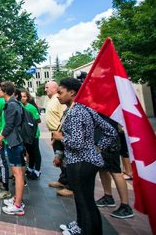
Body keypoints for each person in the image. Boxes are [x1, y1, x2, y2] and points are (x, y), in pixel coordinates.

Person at [53, 78, 117, 235]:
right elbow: (111, 131)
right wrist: (97, 149)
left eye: (60, 92)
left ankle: (87, 230)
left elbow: (77, 143)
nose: (57, 96)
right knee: (83, 200)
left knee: (84, 201)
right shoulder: (84, 109)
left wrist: (61, 138)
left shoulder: (76, 112)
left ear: (72, 92)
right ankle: (81, 225)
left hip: (80, 162)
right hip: (87, 160)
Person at [0, 81, 26, 216]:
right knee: (19, 171)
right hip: (17, 140)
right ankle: (17, 199)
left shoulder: (11, 105)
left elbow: (9, 125)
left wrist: (0, 138)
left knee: (17, 172)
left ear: (5, 91)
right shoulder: (15, 103)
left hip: (14, 142)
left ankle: (18, 205)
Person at [95, 116, 134, 219]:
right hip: (100, 141)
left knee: (115, 172)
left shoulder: (108, 106)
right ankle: (108, 196)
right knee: (102, 169)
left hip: (109, 142)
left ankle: (125, 206)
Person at [45, 81, 72, 197]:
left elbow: (64, 117)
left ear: (55, 89)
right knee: (59, 158)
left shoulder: (59, 100)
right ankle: (63, 180)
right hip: (55, 134)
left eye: (47, 87)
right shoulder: (52, 100)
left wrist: (59, 135)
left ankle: (70, 186)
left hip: (61, 134)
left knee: (65, 158)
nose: (45, 89)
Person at [20, 89, 42, 180]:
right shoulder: (20, 106)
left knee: (35, 152)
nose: (23, 98)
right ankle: (30, 168)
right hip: (25, 135)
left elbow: (38, 120)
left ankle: (37, 170)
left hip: (34, 134)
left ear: (27, 97)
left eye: (24, 96)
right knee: (29, 152)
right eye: (21, 96)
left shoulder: (31, 108)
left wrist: (30, 123)